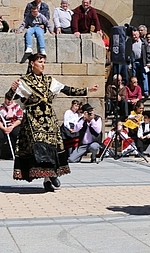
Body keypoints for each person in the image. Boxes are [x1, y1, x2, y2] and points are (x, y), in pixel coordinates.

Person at [7, 53, 98, 191]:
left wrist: (87, 90)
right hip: (33, 120)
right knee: (40, 145)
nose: (43, 64)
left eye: (44, 62)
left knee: (51, 146)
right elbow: (9, 98)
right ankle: (49, 175)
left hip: (49, 120)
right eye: (40, 62)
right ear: (32, 63)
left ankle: (48, 179)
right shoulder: (24, 82)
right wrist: (12, 89)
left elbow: (67, 90)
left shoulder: (50, 81)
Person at [0, 96, 23, 161]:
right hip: (2, 126)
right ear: (5, 99)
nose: (9, 101)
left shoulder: (17, 107)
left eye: (11, 99)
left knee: (16, 133)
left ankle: (13, 153)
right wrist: (3, 128)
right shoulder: (0, 108)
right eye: (8, 99)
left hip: (13, 125)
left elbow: (19, 119)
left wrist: (12, 127)